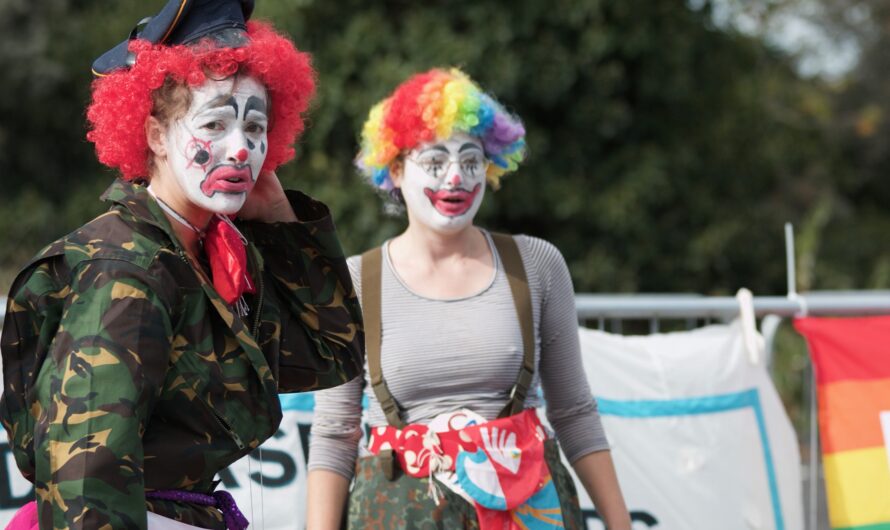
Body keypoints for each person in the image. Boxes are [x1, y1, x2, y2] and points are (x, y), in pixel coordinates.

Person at [0, 1, 363, 528]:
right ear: (153, 137)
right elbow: (86, 476)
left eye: (255, 128)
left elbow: (333, 354)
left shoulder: (212, 254)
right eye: (214, 124)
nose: (240, 150)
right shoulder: (124, 270)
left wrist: (283, 220)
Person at [306, 68, 630, 530]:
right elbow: (335, 434)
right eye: (435, 161)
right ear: (395, 169)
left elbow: (575, 411)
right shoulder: (354, 282)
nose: (456, 177)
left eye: (472, 160)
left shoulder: (537, 264)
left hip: (531, 508)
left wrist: (622, 525)